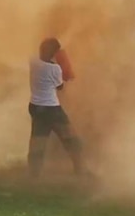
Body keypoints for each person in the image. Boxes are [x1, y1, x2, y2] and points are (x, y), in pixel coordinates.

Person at [27, 37, 91, 179]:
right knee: (71, 140)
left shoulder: (33, 62)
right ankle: (81, 171)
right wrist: (63, 63)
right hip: (52, 109)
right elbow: (60, 87)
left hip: (36, 106)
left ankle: (33, 175)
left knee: (38, 142)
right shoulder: (55, 69)